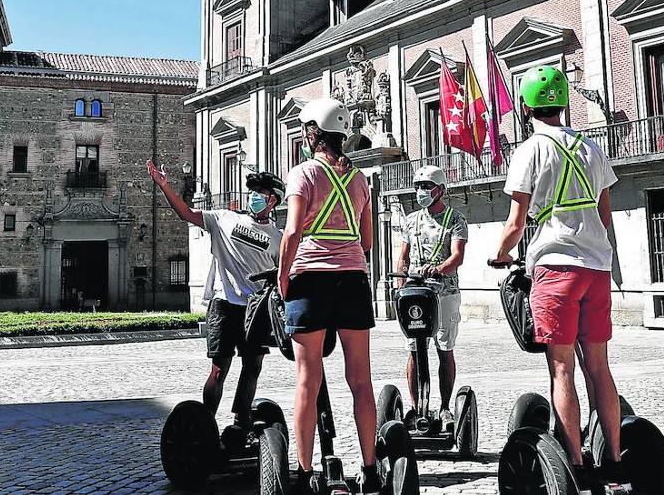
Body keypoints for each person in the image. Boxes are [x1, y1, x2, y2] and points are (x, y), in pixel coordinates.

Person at [492, 65, 623, 492]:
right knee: (598, 366)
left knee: (562, 368)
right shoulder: (592, 148)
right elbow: (605, 217)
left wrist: (500, 254)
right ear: (564, 102)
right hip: (596, 268)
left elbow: (515, 222)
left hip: (556, 267)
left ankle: (575, 462)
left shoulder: (529, 150)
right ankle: (617, 459)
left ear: (527, 105)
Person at [277, 97, 381, 495]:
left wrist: (285, 278)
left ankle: (304, 474)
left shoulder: (302, 173)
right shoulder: (360, 180)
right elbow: (367, 240)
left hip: (311, 279)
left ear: (312, 133)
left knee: (308, 379)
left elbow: (291, 233)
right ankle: (370, 469)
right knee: (361, 380)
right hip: (353, 278)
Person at [148, 160, 283, 437]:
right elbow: (186, 213)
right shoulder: (224, 218)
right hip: (224, 304)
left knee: (253, 365)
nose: (255, 197)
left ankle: (241, 421)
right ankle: (205, 423)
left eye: (262, 194)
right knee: (220, 367)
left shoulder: (278, 238)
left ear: (273, 202)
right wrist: (164, 185)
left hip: (255, 309)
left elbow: (282, 275)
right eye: (253, 192)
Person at [394, 164, 468, 426]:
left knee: (444, 348)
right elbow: (403, 256)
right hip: (415, 292)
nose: (421, 191)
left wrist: (438, 270)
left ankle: (446, 407)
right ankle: (416, 408)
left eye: (427, 187)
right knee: (415, 349)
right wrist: (401, 277)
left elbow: (457, 256)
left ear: (441, 190)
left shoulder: (455, 219)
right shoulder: (411, 219)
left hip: (444, 292)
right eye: (418, 187)